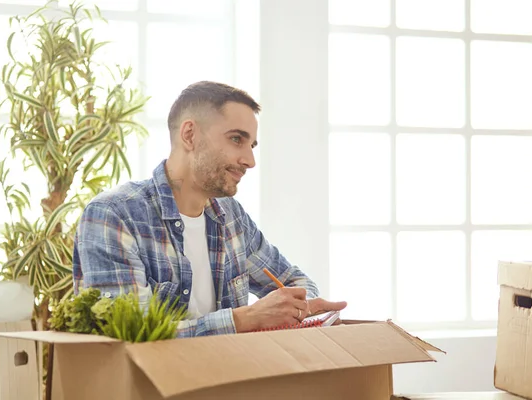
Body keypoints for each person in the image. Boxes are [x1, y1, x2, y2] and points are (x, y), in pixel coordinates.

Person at [72, 81, 347, 337]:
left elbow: (294, 282)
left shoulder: (231, 217)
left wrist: (300, 306)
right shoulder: (114, 215)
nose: (250, 160)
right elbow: (130, 336)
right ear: (190, 135)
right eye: (237, 139)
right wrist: (244, 319)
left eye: (252, 145)